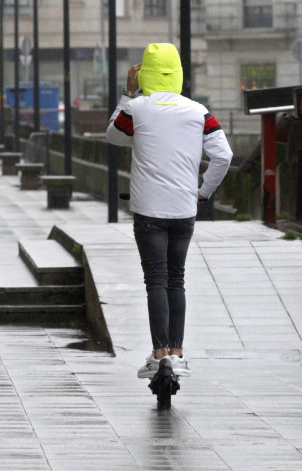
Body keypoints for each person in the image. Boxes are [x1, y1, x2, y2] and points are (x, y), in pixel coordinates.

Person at [106, 43, 232, 380]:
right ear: (178, 73)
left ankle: (158, 353)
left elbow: (114, 135)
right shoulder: (198, 111)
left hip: (149, 210)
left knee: (156, 281)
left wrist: (126, 92)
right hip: (183, 209)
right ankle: (177, 354)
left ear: (144, 72)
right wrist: (203, 191)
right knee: (176, 279)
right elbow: (223, 156)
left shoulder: (137, 108)